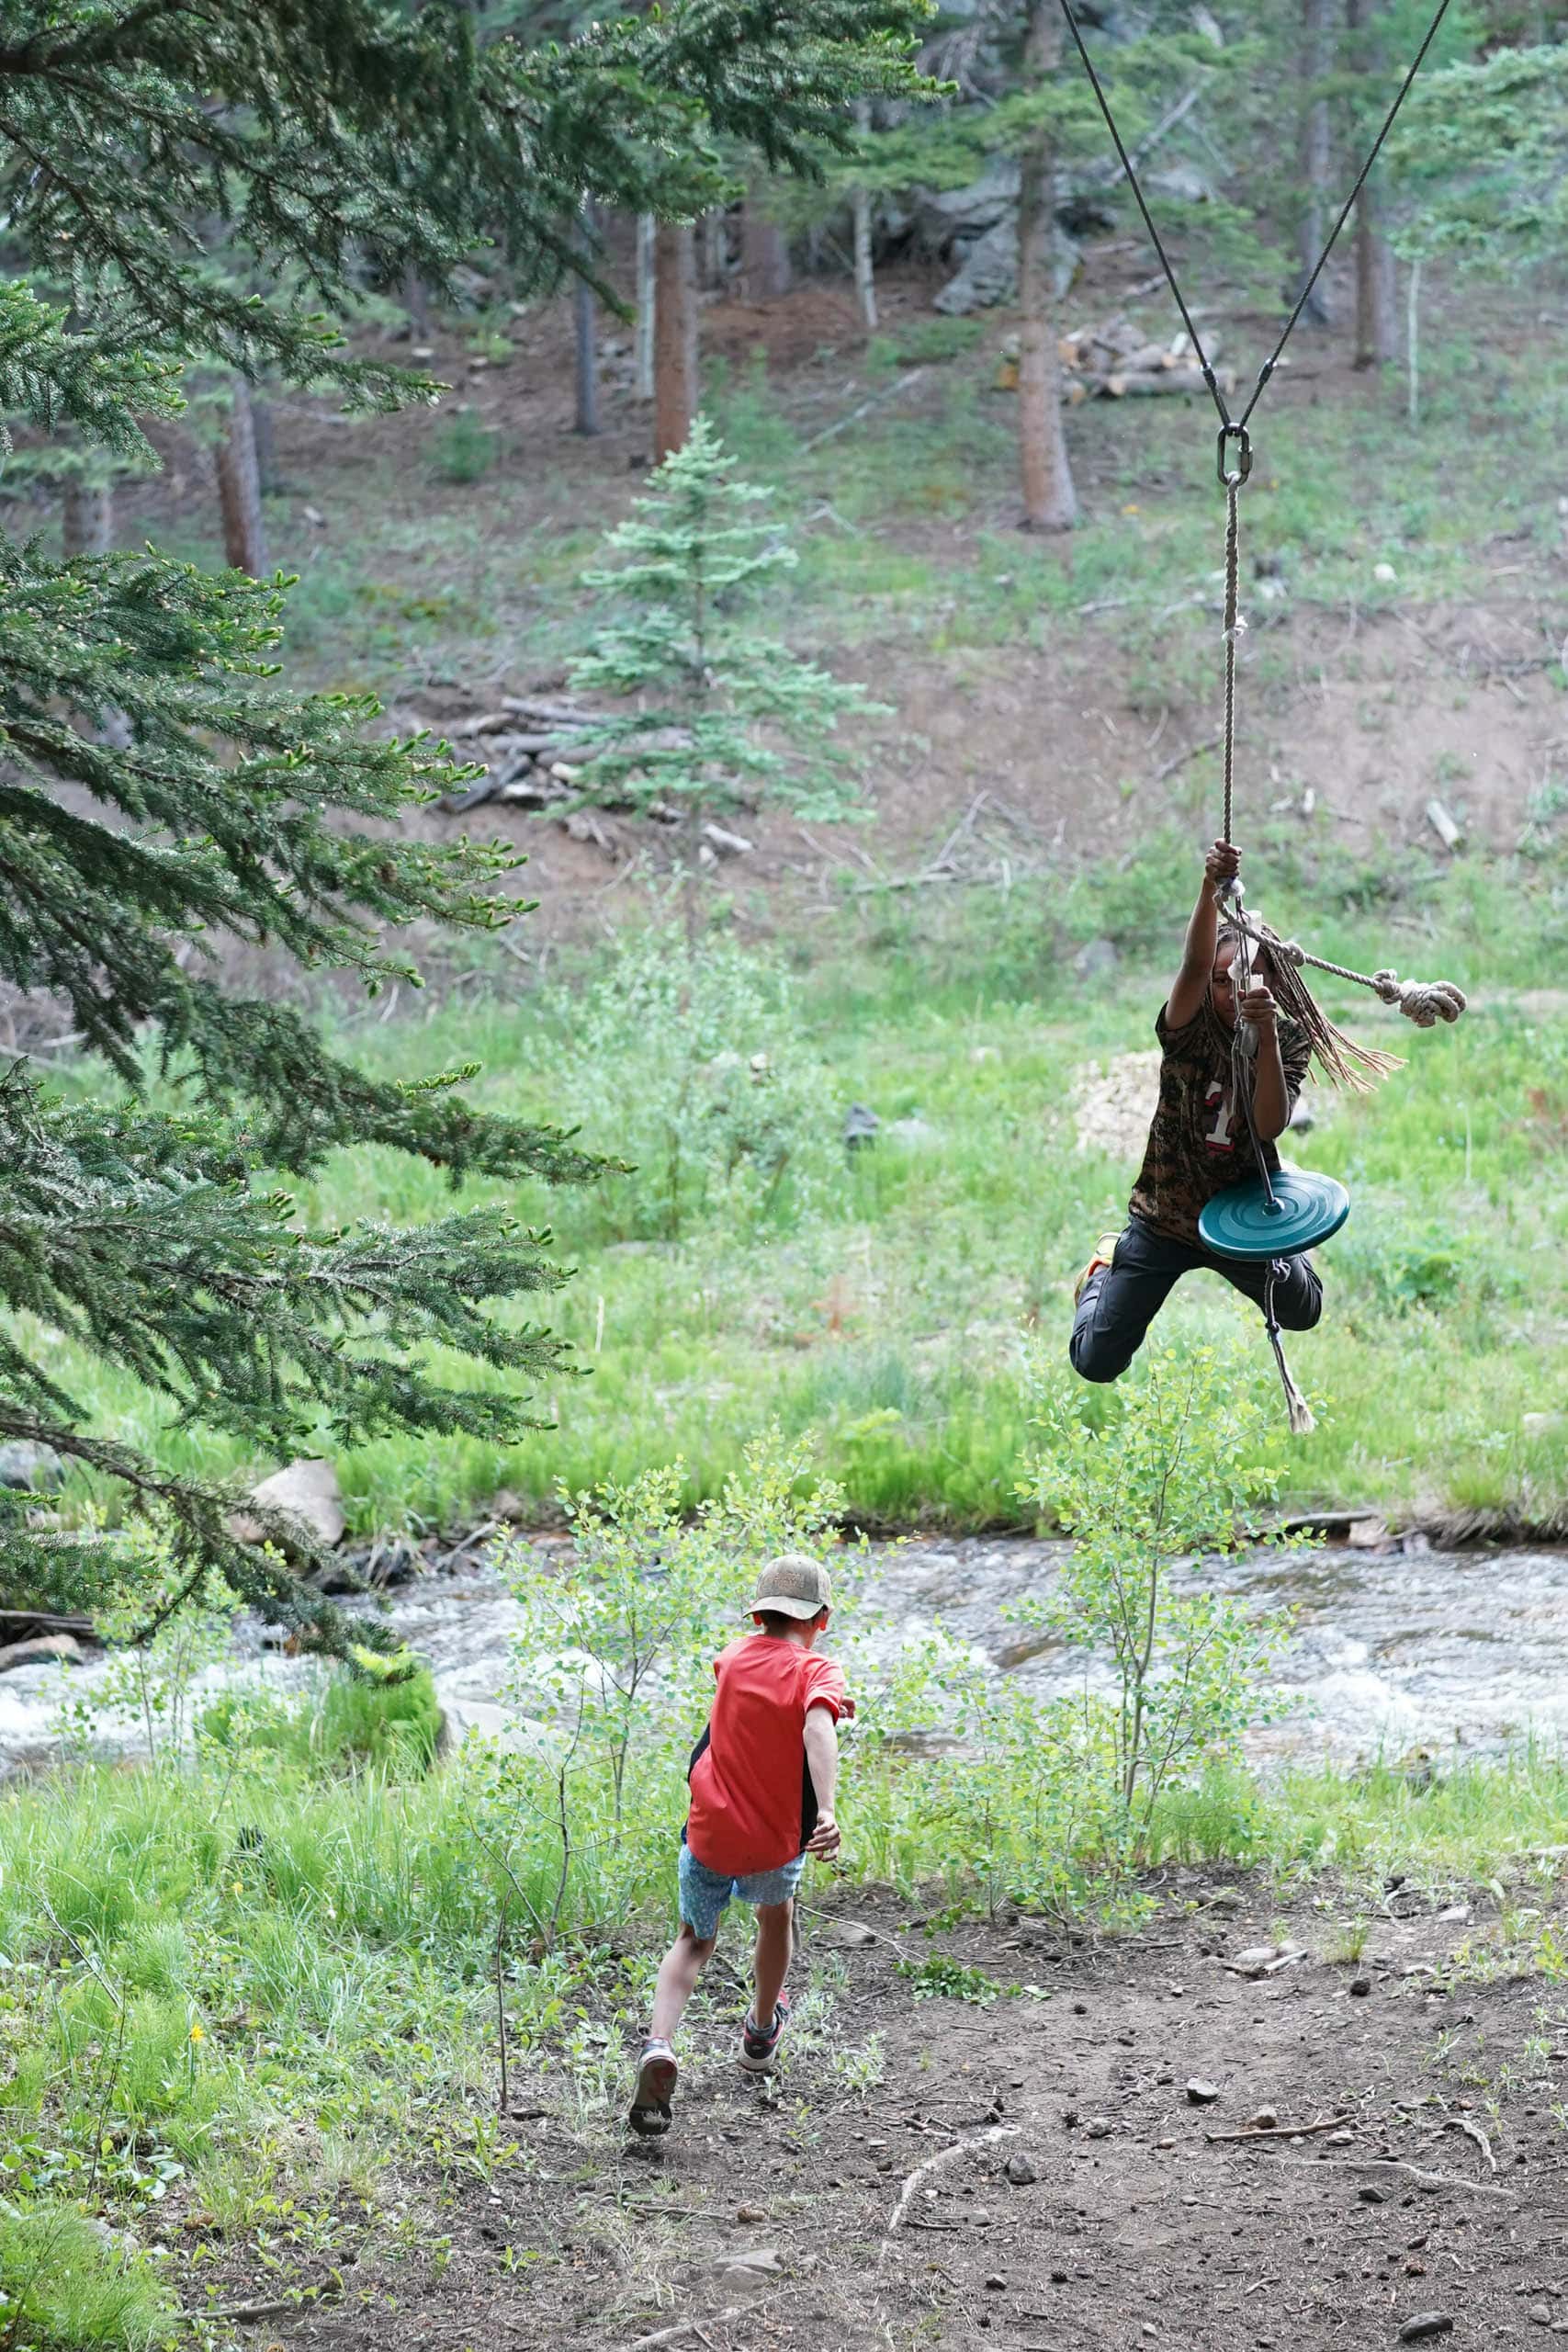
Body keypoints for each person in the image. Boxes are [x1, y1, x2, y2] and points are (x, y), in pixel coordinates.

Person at [1070, 839, 1322, 1385]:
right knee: (1096, 1362)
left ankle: (1289, 1214)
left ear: (1273, 982)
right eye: (1220, 980)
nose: (1230, 990)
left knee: (1305, 1310)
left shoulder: (1288, 1036)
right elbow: (1191, 965)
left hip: (1245, 1212)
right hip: (1167, 1214)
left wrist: (1267, 1041)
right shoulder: (1189, 1027)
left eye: (1245, 978)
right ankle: (1100, 1272)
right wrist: (1211, 885)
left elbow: (1267, 1125)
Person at [627, 1553, 850, 2138]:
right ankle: (758, 2033)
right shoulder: (817, 1672)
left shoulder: (731, 1658)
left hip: (709, 1834)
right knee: (775, 1918)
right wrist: (825, 1809)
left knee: (693, 1941)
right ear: (820, 1619)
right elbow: (818, 1728)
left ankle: (658, 2044)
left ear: (758, 1614)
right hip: (774, 1844)